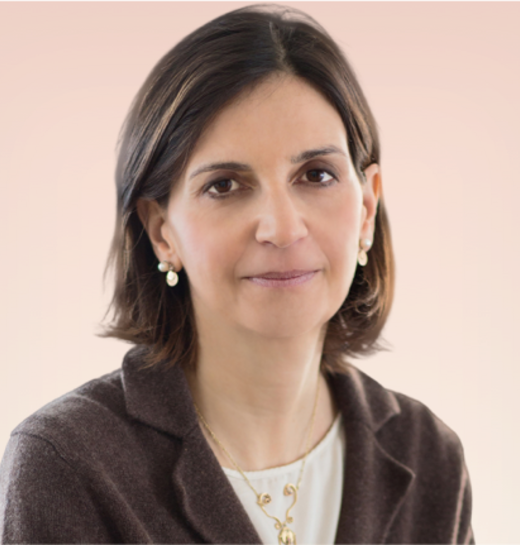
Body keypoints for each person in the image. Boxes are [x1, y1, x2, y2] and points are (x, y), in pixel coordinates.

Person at [0, 3, 474, 544]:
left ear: (367, 209)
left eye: (316, 175)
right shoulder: (68, 464)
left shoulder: (429, 456)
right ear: (162, 232)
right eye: (224, 185)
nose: (282, 228)